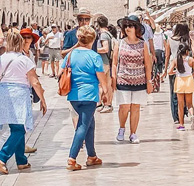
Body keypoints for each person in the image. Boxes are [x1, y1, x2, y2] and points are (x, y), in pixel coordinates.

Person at [0, 29, 47, 175]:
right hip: (19, 94)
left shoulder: (1, 59)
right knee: (20, 128)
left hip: (4, 93)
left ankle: (21, 161)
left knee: (16, 127)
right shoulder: (25, 60)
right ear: (20, 43)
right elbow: (35, 82)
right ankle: (1, 157)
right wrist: (43, 100)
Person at [62, 26, 109, 170]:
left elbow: (61, 71)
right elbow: (101, 78)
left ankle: (92, 156)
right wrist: (105, 93)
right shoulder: (94, 56)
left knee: (90, 124)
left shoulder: (70, 55)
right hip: (89, 95)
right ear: (93, 40)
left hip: (74, 96)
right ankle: (72, 158)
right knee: (82, 126)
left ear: (78, 38)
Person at [112, 15, 153, 144]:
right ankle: (122, 128)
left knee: (135, 107)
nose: (128, 28)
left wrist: (149, 81)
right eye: (126, 26)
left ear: (136, 28)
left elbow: (147, 64)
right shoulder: (119, 43)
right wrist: (113, 78)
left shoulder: (143, 44)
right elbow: (114, 62)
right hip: (123, 80)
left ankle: (133, 133)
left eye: (130, 26)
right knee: (124, 107)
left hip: (139, 80)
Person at [167, 42, 194, 131]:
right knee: (189, 103)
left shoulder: (176, 60)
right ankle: (192, 116)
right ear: (187, 51)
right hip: (188, 80)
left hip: (179, 81)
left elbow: (169, 71)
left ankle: (181, 124)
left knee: (180, 104)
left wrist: (175, 72)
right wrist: (192, 74)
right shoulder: (190, 60)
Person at [165, 23, 190, 123]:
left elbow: (167, 56)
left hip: (173, 66)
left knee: (173, 92)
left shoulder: (170, 40)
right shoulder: (187, 40)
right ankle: (183, 112)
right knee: (184, 91)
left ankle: (176, 116)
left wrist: (165, 70)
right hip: (185, 68)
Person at [94, 16, 113, 112]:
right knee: (107, 84)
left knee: (100, 85)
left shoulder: (103, 35)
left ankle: (100, 104)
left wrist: (94, 50)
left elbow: (105, 48)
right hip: (106, 62)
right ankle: (108, 104)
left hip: (102, 62)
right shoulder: (108, 34)